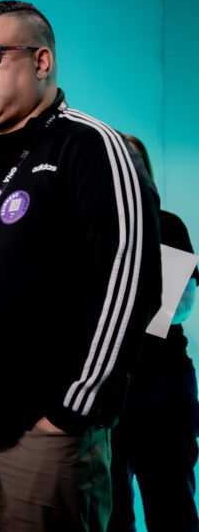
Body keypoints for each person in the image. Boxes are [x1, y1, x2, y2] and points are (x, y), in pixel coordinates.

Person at [0, 0, 161, 530]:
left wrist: (72, 410)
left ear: (42, 62)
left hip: (44, 432)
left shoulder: (92, 147)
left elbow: (129, 281)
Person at [108, 135, 199, 532]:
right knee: (110, 509)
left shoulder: (166, 225)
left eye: (133, 161)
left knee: (170, 503)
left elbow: (179, 306)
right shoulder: (87, 230)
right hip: (106, 390)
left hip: (160, 386)